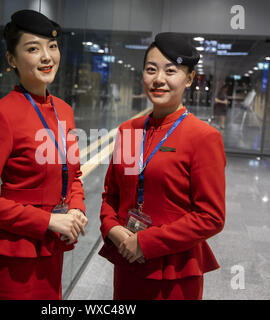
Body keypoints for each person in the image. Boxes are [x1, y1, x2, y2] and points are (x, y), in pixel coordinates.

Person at [0, 10, 87, 300]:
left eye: (52, 47)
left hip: (52, 246)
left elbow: (74, 175)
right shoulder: (2, 115)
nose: (47, 56)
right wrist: (47, 221)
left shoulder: (64, 110)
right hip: (15, 253)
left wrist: (76, 209)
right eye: (33, 48)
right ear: (12, 60)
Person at [98, 32, 226, 300]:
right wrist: (111, 228)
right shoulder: (129, 130)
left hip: (175, 272)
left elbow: (211, 217)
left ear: (189, 78)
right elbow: (111, 195)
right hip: (127, 263)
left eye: (171, 71)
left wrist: (145, 243)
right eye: (151, 69)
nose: (158, 79)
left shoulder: (203, 137)